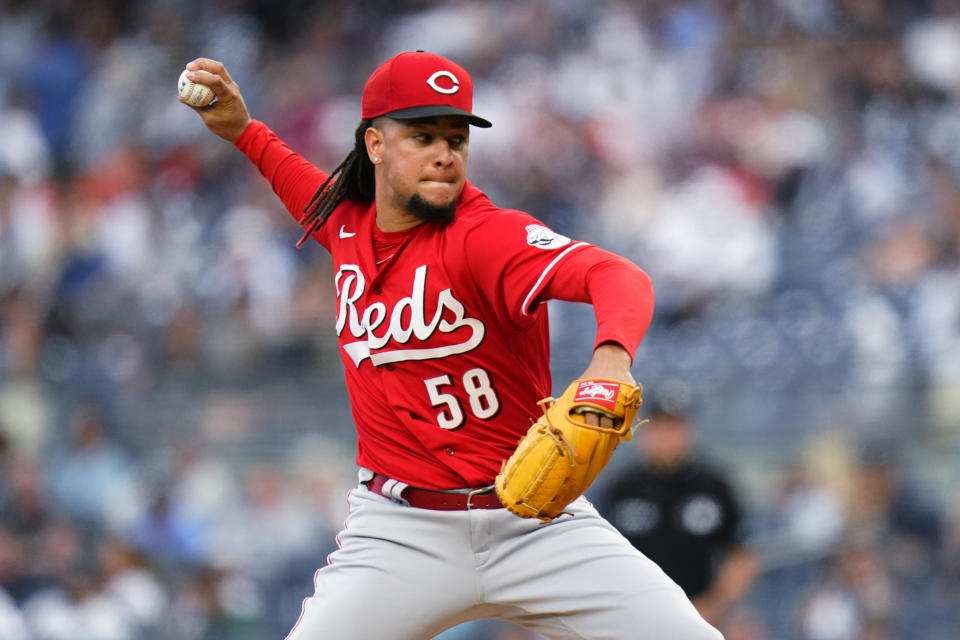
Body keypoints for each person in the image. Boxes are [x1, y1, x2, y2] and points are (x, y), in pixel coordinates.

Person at [181, 50, 722, 640]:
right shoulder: (346, 224)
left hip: (535, 522)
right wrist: (243, 131)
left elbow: (618, 276)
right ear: (376, 144)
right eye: (422, 136)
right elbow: (301, 186)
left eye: (456, 138)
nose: (445, 153)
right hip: (398, 532)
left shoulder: (487, 236)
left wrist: (610, 358)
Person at [598, 392, 759, 627]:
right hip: (634, 617)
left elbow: (742, 555)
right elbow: (601, 556)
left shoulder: (714, 486)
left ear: (690, 431)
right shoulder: (622, 488)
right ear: (644, 431)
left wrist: (714, 604)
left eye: (674, 426)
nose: (666, 435)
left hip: (700, 616)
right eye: (659, 426)